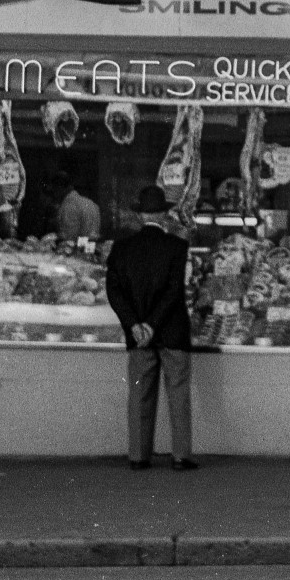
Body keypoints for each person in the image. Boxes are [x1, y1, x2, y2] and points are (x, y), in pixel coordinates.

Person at [105, 186, 196, 470]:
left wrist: (135, 325)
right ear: (165, 215)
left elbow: (114, 291)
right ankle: (180, 456)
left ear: (140, 215)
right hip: (171, 330)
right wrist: (152, 324)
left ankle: (138, 456)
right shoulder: (177, 247)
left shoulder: (121, 248)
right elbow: (173, 292)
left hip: (138, 336)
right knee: (178, 391)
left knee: (139, 392)